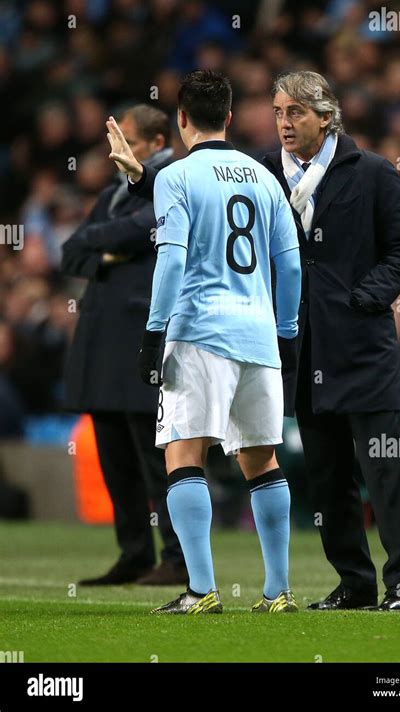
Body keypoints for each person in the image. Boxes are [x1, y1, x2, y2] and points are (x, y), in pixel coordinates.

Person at [138, 70, 302, 615]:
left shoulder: (176, 177)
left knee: (185, 453)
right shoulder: (265, 177)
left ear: (181, 119)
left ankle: (201, 589)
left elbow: (173, 258)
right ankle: (277, 591)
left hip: (199, 332)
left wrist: (154, 330)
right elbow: (290, 263)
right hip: (258, 335)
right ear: (230, 118)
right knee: (262, 459)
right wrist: (287, 332)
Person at [262, 71, 400, 611]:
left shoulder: (373, 172)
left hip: (361, 348)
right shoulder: (266, 175)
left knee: (385, 471)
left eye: (296, 113)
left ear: (326, 117)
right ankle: (353, 582)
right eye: (279, 112)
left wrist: (361, 300)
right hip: (304, 350)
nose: (284, 123)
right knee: (328, 477)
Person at [61, 105, 187, 586]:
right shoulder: (113, 193)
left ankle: (177, 557)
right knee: (116, 457)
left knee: (156, 457)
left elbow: (143, 228)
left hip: (141, 337)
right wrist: (110, 250)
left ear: (157, 144)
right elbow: (71, 251)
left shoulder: (170, 181)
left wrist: (102, 245)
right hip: (101, 337)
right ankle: (134, 552)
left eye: (129, 142)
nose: (120, 152)